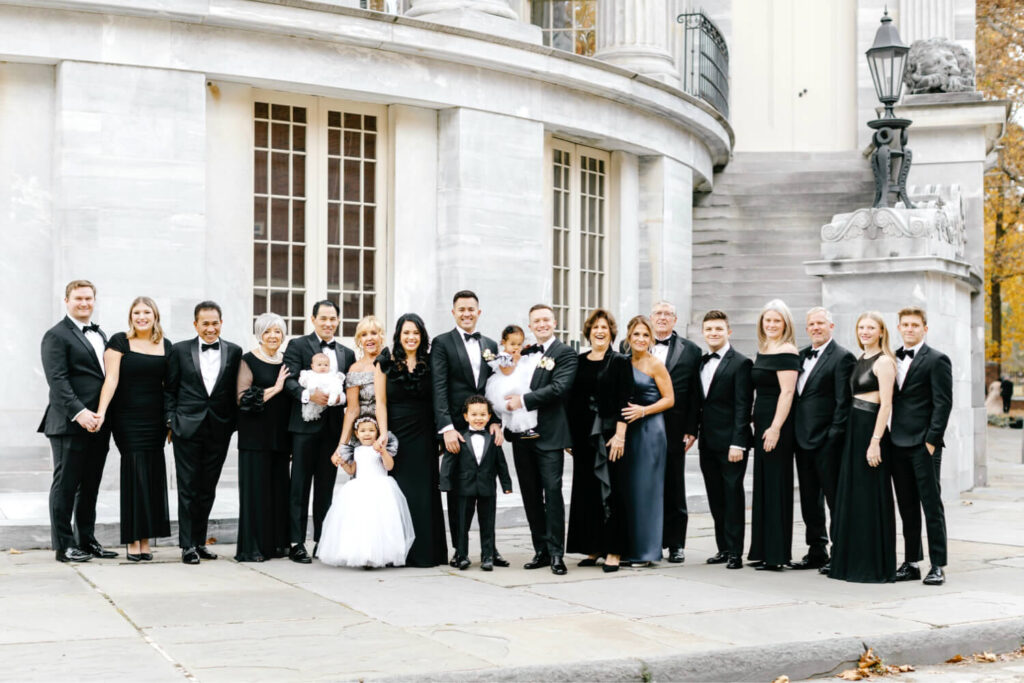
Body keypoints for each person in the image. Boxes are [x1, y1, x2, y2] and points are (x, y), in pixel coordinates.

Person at [39, 280, 117, 563]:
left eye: (88, 298)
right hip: (69, 423)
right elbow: (57, 381)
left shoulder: (100, 334)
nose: (84, 303)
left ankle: (86, 540)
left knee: (91, 485)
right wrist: (80, 412)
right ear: (67, 301)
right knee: (65, 485)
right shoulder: (56, 335)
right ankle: (64, 545)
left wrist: (99, 415)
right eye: (78, 299)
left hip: (98, 423)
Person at [430, 290, 507, 567]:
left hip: (484, 425)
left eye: (471, 309)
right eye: (461, 309)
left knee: (487, 488)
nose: (466, 313)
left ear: (479, 312)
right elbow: (438, 388)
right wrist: (447, 428)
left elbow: (495, 387)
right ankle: (459, 549)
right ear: (453, 312)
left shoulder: (489, 344)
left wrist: (496, 421)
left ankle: (490, 548)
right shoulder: (442, 343)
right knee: (459, 493)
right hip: (456, 428)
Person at [164, 301, 242, 565]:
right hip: (186, 428)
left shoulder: (234, 351)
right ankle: (187, 545)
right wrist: (171, 421)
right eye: (205, 323)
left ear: (222, 323)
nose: (210, 328)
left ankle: (199, 541)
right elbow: (169, 389)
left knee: (208, 488)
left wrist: (232, 423)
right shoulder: (179, 350)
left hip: (219, 428)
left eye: (215, 323)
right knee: (188, 488)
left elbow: (234, 391)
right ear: (195, 324)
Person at [96, 296, 172, 562]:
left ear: (155, 316)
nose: (142, 316)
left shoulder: (166, 345)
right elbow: (111, 380)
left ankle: (146, 539)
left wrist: (170, 421)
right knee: (134, 473)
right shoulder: (119, 341)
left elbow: (168, 387)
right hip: (127, 418)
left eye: (147, 312)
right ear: (131, 316)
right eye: (137, 312)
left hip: (155, 420)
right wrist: (102, 412)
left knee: (151, 474)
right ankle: (132, 539)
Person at [505, 304, 578, 575]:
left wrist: (521, 401)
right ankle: (541, 551)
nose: (542, 324)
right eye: (536, 321)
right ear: (531, 325)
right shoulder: (523, 354)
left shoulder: (566, 353)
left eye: (546, 319)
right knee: (531, 496)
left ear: (555, 322)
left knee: (553, 493)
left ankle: (557, 553)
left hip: (549, 436)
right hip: (523, 438)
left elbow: (559, 388)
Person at [282, 300, 356, 564]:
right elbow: (288, 381)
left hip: (334, 429)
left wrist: (342, 401)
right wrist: (307, 394)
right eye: (323, 318)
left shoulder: (347, 353)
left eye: (333, 318)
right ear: (312, 319)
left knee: (326, 487)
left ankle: (323, 540)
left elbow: (351, 390)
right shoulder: (297, 345)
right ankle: (296, 542)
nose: (328, 323)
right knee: (299, 485)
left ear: (338, 320)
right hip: (304, 427)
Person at [829, 312, 898, 583]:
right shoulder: (860, 359)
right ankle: (850, 562)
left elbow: (886, 404)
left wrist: (875, 442)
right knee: (854, 497)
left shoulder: (884, 362)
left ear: (881, 332)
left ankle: (871, 566)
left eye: (871, 327)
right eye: (861, 327)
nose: (865, 331)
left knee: (870, 497)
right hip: (854, 431)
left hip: (871, 430)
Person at [376, 313, 447, 568]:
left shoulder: (431, 362)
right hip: (397, 434)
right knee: (398, 493)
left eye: (415, 333)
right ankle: (398, 552)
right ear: (399, 335)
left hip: (424, 433)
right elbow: (380, 402)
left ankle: (426, 552)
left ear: (422, 336)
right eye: (406, 333)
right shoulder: (385, 361)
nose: (411, 337)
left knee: (425, 491)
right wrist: (383, 433)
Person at [566, 309, 633, 572]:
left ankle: (614, 550)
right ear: (588, 332)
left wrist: (620, 435)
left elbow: (624, 400)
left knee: (612, 491)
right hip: (583, 437)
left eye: (604, 327)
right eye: (595, 327)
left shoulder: (619, 361)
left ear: (611, 332)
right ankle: (594, 547)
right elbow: (572, 402)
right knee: (587, 492)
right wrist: (569, 437)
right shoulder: (580, 361)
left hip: (608, 436)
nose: (600, 331)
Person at [891, 306, 953, 586]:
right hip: (897, 444)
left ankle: (937, 564)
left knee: (931, 505)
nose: (910, 329)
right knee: (906, 506)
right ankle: (911, 562)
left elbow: (943, 404)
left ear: (924, 329)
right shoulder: (891, 358)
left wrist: (931, 442)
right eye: (905, 324)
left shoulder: (937, 360)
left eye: (915, 325)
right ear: (899, 327)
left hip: (923, 445)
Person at [790, 307, 855, 573]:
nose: (815, 328)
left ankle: (841, 552)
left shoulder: (842, 357)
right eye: (811, 324)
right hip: (801, 439)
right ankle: (817, 550)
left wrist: (832, 438)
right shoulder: (801, 355)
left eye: (820, 323)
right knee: (808, 500)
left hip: (828, 442)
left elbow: (843, 403)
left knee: (834, 499)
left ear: (831, 326)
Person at [695, 310, 753, 570]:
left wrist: (738, 442)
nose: (713, 333)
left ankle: (736, 552)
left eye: (718, 329)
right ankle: (722, 547)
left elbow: (743, 406)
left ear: (728, 332)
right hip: (707, 441)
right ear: (703, 333)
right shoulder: (700, 362)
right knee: (715, 496)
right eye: (709, 329)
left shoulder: (741, 363)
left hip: (732, 444)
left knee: (732, 496)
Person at [747, 300, 800, 572]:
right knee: (764, 485)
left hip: (777, 425)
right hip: (763, 423)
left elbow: (788, 392)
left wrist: (776, 427)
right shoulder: (764, 349)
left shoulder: (787, 350)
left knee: (777, 484)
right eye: (767, 320)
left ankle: (777, 554)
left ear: (786, 324)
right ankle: (763, 549)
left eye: (777, 321)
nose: (771, 325)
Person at [318, 417, 414, 568]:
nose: (367, 434)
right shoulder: (355, 450)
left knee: (382, 522)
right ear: (356, 433)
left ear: (377, 432)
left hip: (380, 487)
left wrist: (382, 452)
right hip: (360, 488)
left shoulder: (381, 448)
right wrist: (343, 463)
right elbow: (352, 470)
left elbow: (389, 466)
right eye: (363, 431)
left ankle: (382, 554)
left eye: (371, 430)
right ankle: (364, 554)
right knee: (362, 522)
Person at [235, 313, 292, 562]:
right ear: (259, 334)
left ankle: (275, 546)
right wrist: (276, 388)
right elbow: (243, 398)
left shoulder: (286, 362)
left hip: (280, 437)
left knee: (278, 493)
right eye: (267, 331)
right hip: (254, 438)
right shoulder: (247, 360)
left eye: (277, 331)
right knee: (255, 493)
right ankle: (252, 548)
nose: (273, 336)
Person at [648, 301, 702, 564]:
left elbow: (695, 393)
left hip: (674, 428)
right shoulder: (633, 344)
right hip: (642, 425)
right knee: (645, 485)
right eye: (658, 313)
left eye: (667, 314)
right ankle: (648, 541)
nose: (662, 318)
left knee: (674, 486)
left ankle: (676, 544)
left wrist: (692, 429)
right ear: (650, 317)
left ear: (675, 319)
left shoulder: (691, 350)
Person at [621, 315, 675, 566]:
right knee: (629, 489)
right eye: (636, 335)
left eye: (645, 335)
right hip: (627, 431)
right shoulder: (623, 362)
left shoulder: (656, 364)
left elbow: (669, 399)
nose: (641, 339)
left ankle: (646, 552)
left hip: (650, 430)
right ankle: (627, 547)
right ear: (628, 337)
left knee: (647, 490)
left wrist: (643, 411)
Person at [439, 396, 513, 571]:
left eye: (482, 414)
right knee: (462, 524)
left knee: (488, 523)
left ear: (489, 417)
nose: (478, 418)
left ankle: (487, 556)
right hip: (464, 488)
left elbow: (501, 464)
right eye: (474, 414)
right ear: (466, 416)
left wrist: (506, 485)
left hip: (487, 488)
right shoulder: (459, 438)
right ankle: (462, 556)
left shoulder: (493, 439)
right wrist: (445, 483)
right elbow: (448, 462)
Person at [484, 325, 540, 439]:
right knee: (515, 407)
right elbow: (506, 371)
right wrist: (515, 360)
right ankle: (519, 429)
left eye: (519, 344)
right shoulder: (502, 357)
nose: (516, 347)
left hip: (518, 383)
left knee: (523, 406)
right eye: (513, 344)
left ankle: (525, 428)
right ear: (504, 343)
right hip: (505, 385)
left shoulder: (518, 354)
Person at [297, 353, 345, 422]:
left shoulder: (331, 375)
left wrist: (340, 398)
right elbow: (302, 382)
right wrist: (309, 394)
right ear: (312, 366)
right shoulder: (310, 374)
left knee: (335, 386)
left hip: (332, 410)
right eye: (319, 365)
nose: (323, 367)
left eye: (326, 365)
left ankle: (332, 398)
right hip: (313, 395)